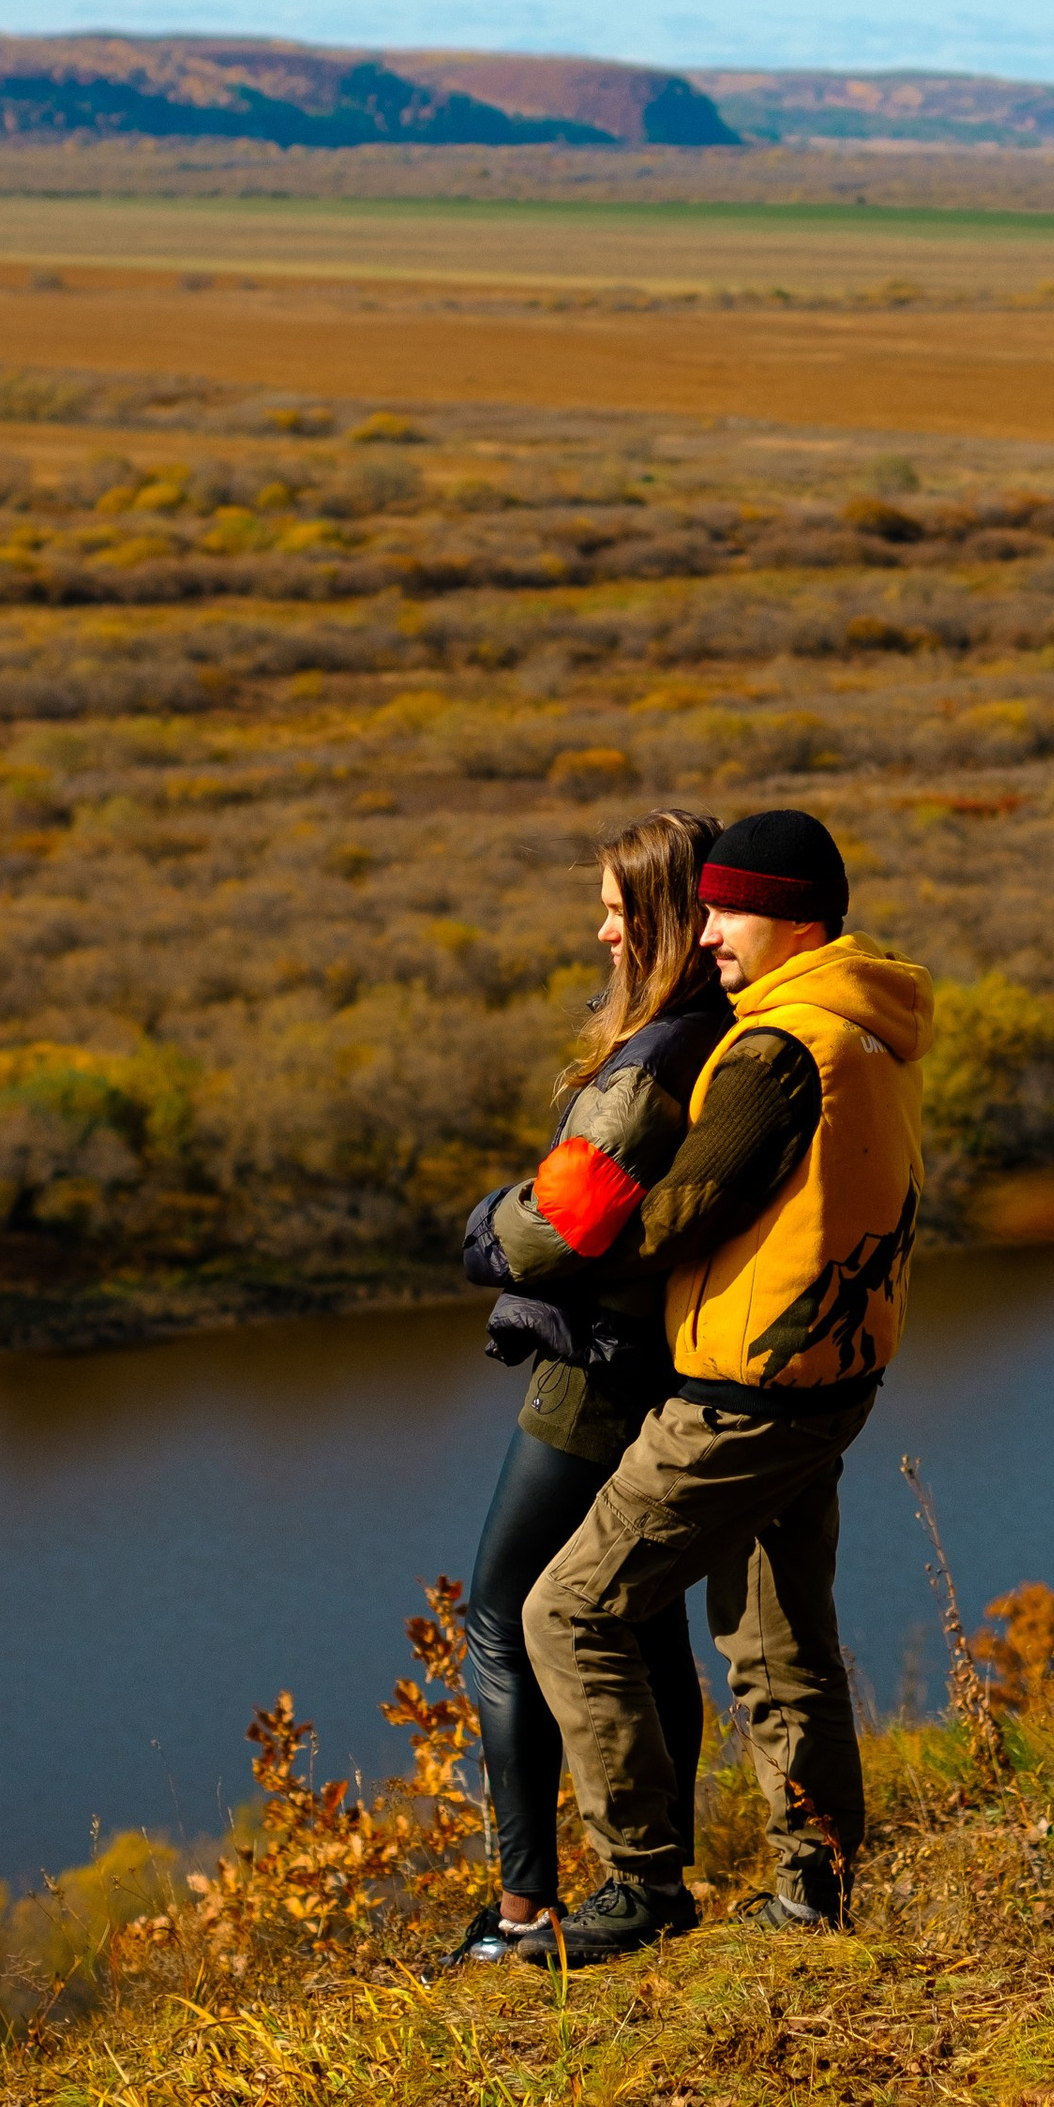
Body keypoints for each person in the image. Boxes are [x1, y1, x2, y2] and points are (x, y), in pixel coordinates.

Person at [518, 807, 932, 1965]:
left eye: (723, 913)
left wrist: (554, 1222)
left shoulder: (776, 1050)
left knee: (570, 1611)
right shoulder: (871, 1029)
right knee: (775, 1637)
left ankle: (639, 1884)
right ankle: (815, 1886)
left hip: (745, 1391)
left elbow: (674, 1217)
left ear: (792, 918)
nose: (702, 938)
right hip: (826, 1375)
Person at [439, 809, 729, 1970]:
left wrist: (482, 1236)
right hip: (665, 1361)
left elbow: (561, 1227)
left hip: (592, 1376)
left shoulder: (654, 1057)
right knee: (639, 1618)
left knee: (499, 1614)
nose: (601, 929)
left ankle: (522, 1913)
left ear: (662, 919)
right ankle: (654, 1875)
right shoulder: (726, 1035)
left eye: (618, 908)